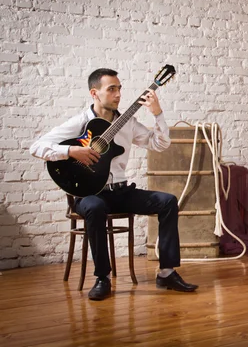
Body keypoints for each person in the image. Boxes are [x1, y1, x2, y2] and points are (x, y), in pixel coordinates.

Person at [30, 68, 198, 300]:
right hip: (89, 196)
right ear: (94, 93)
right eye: (111, 89)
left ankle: (167, 272)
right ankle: (102, 278)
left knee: (168, 201)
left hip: (120, 192)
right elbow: (37, 147)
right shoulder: (81, 122)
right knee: (95, 207)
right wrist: (72, 150)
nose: (118, 94)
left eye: (119, 89)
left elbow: (160, 144)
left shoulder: (127, 122)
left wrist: (157, 114)